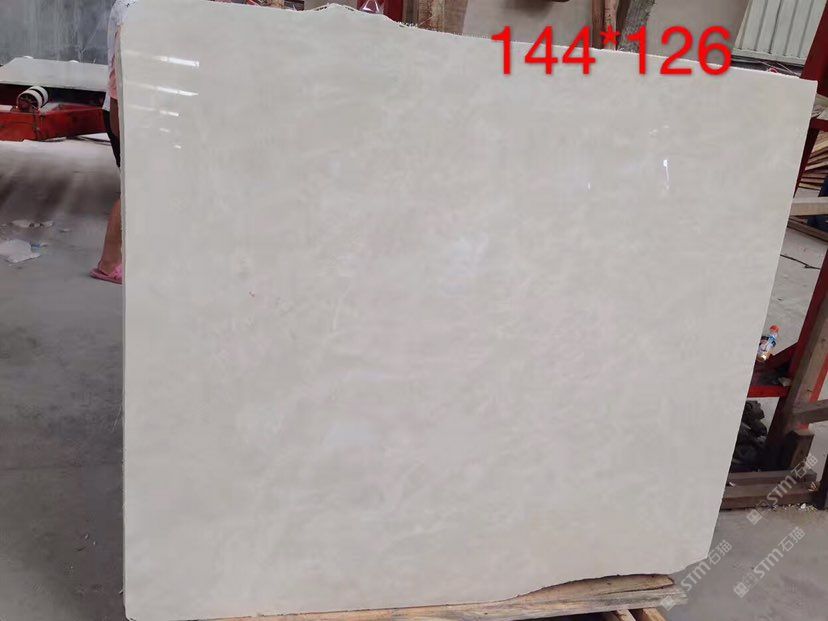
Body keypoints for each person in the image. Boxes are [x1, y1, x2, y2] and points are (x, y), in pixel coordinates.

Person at [91, 0, 140, 285]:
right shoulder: (134, 5)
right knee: (135, 189)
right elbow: (120, 66)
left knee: (140, 188)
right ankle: (108, 264)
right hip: (124, 112)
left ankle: (119, 259)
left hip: (130, 110)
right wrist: (121, 123)